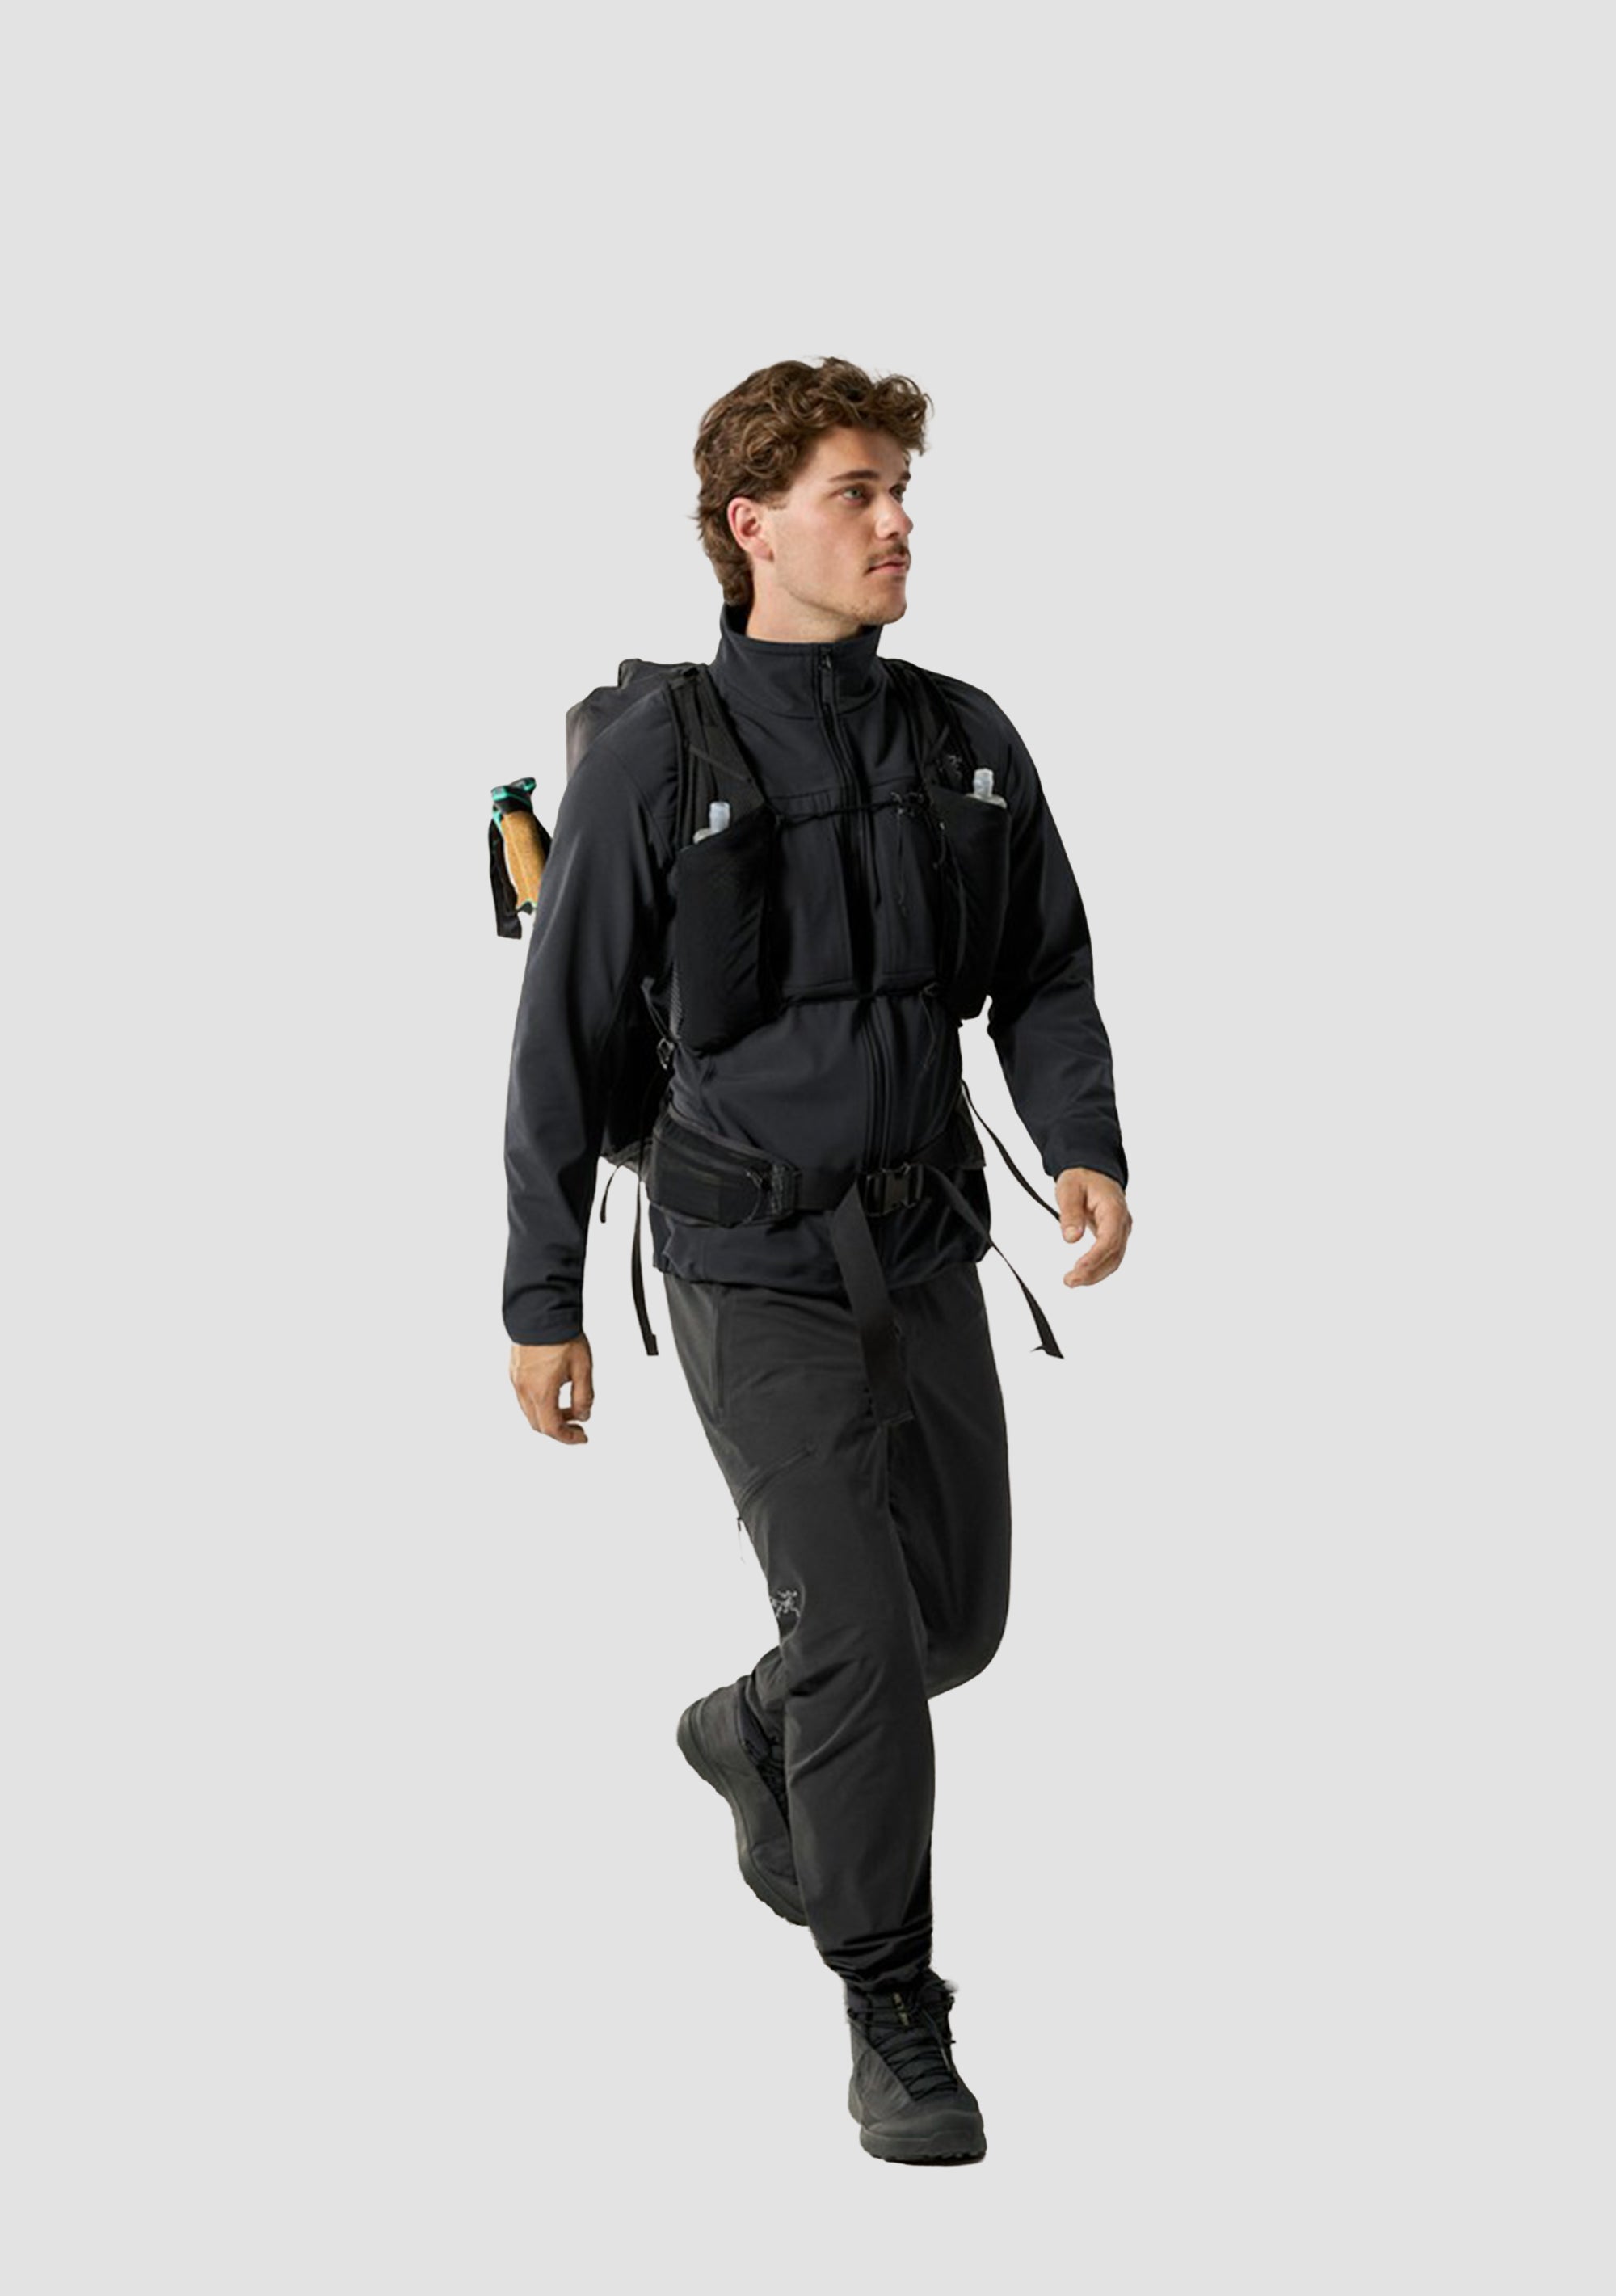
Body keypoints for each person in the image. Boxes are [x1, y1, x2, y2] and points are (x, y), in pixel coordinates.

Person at [504, 356, 1132, 2165]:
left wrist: (1081, 1138)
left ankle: (749, 1727)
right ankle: (891, 2003)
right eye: (857, 493)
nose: (897, 522)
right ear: (752, 527)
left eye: (900, 489)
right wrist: (541, 1297)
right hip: (744, 1252)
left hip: (924, 1237)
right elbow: (558, 1039)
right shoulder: (659, 760)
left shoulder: (962, 736)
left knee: (953, 1628)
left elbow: (1044, 966)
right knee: (862, 1633)